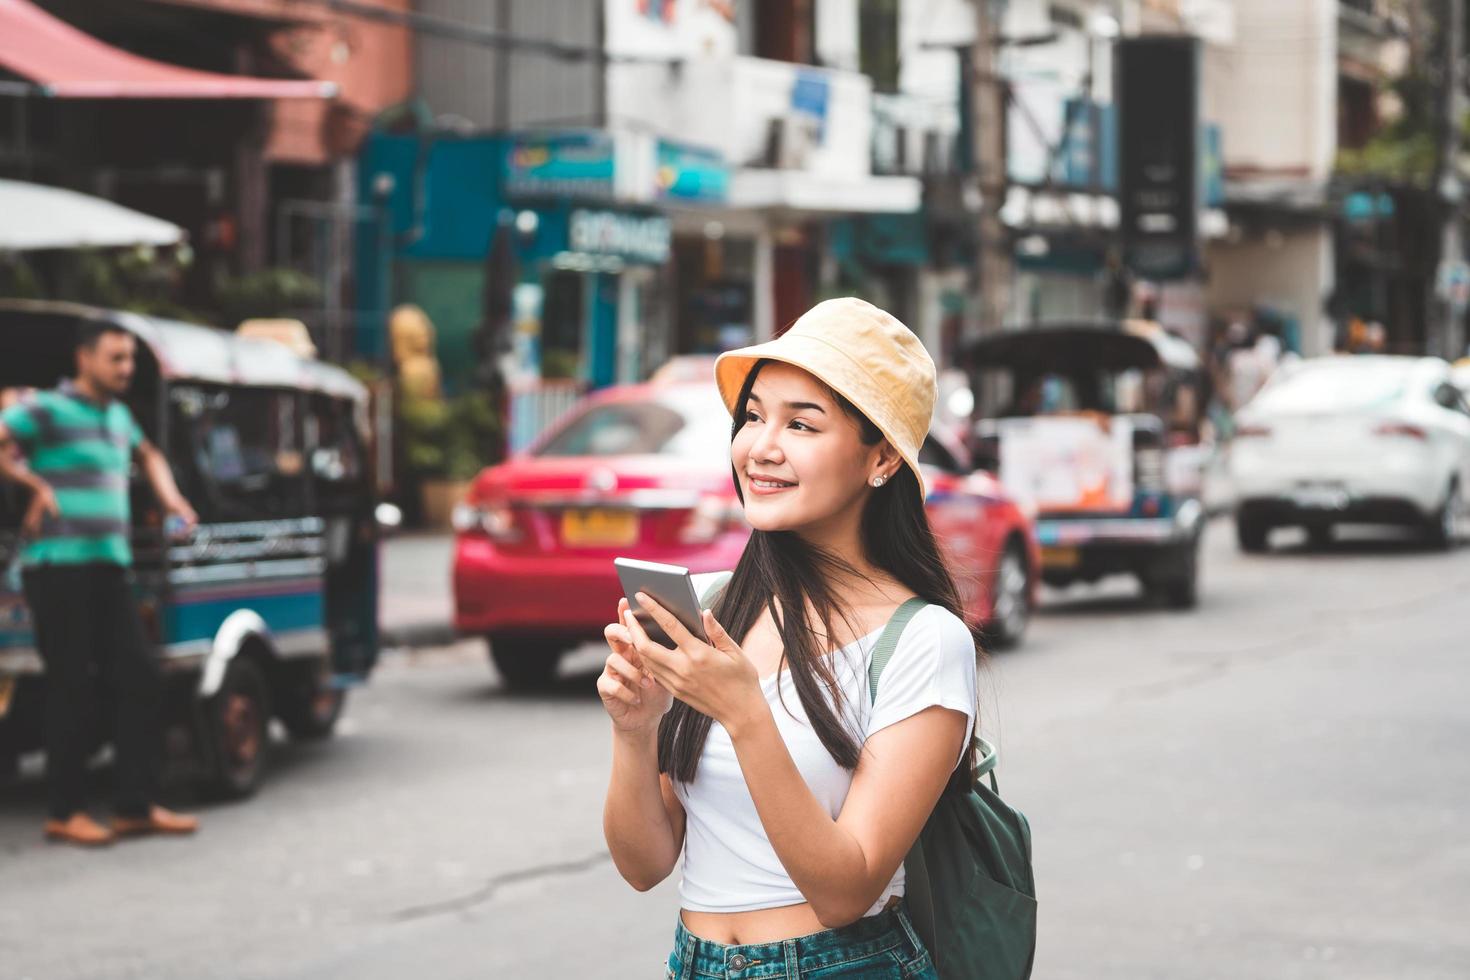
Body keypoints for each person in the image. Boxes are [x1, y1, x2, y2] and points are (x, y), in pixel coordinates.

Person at [599, 298, 978, 978]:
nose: (760, 447)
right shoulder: (716, 603)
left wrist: (746, 713)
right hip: (694, 963)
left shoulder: (924, 640)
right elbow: (644, 865)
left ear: (882, 458)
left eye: (802, 423)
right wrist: (635, 730)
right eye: (752, 416)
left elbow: (845, 891)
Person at [0, 319, 200, 847]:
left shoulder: (119, 416)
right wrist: (33, 485)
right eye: (115, 358)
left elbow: (149, 455)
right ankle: (64, 811)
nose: (125, 369)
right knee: (72, 686)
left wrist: (171, 498)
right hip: (57, 566)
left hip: (109, 565)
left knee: (138, 677)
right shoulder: (47, 408)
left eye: (130, 359)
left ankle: (134, 805)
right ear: (84, 358)